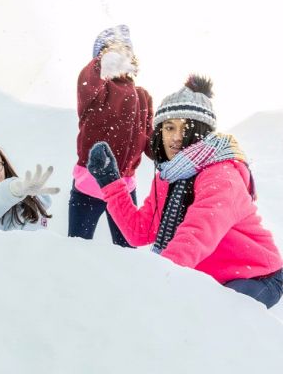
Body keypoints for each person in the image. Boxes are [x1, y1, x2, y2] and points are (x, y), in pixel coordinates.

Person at [87, 74, 283, 308]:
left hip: (258, 277)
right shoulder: (167, 177)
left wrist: (153, 283)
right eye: (169, 127)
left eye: (186, 127)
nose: (176, 137)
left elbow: (196, 235)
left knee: (215, 318)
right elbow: (140, 231)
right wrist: (110, 182)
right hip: (212, 277)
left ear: (201, 131)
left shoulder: (222, 176)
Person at [69, 24, 154, 247]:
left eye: (125, 51)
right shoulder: (95, 92)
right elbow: (88, 80)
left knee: (127, 251)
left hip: (123, 188)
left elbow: (151, 144)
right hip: (89, 184)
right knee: (76, 248)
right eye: (110, 51)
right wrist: (101, 64)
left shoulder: (143, 96)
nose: (118, 56)